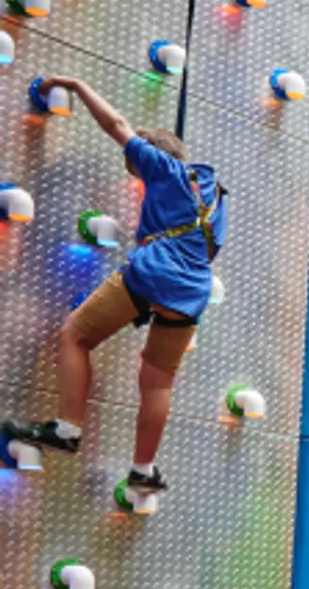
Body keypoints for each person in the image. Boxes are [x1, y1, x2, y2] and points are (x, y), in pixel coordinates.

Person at [3, 76, 226, 494]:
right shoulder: (214, 195)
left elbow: (115, 124)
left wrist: (78, 84)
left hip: (152, 273)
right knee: (157, 382)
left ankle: (68, 428)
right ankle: (143, 469)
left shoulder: (162, 168)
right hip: (191, 294)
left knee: (74, 335)